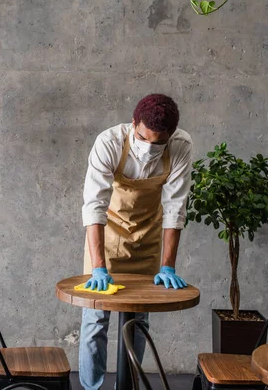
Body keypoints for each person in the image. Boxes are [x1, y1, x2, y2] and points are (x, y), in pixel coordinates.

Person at [79, 94, 192, 390]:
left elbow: (175, 209)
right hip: (107, 235)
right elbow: (94, 206)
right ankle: (92, 387)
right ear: (134, 124)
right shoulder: (109, 143)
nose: (150, 148)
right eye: (143, 138)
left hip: (148, 236)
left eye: (159, 143)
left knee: (138, 322)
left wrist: (168, 266)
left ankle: (128, 387)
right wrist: (98, 267)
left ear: (170, 136)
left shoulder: (181, 146)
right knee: (96, 318)